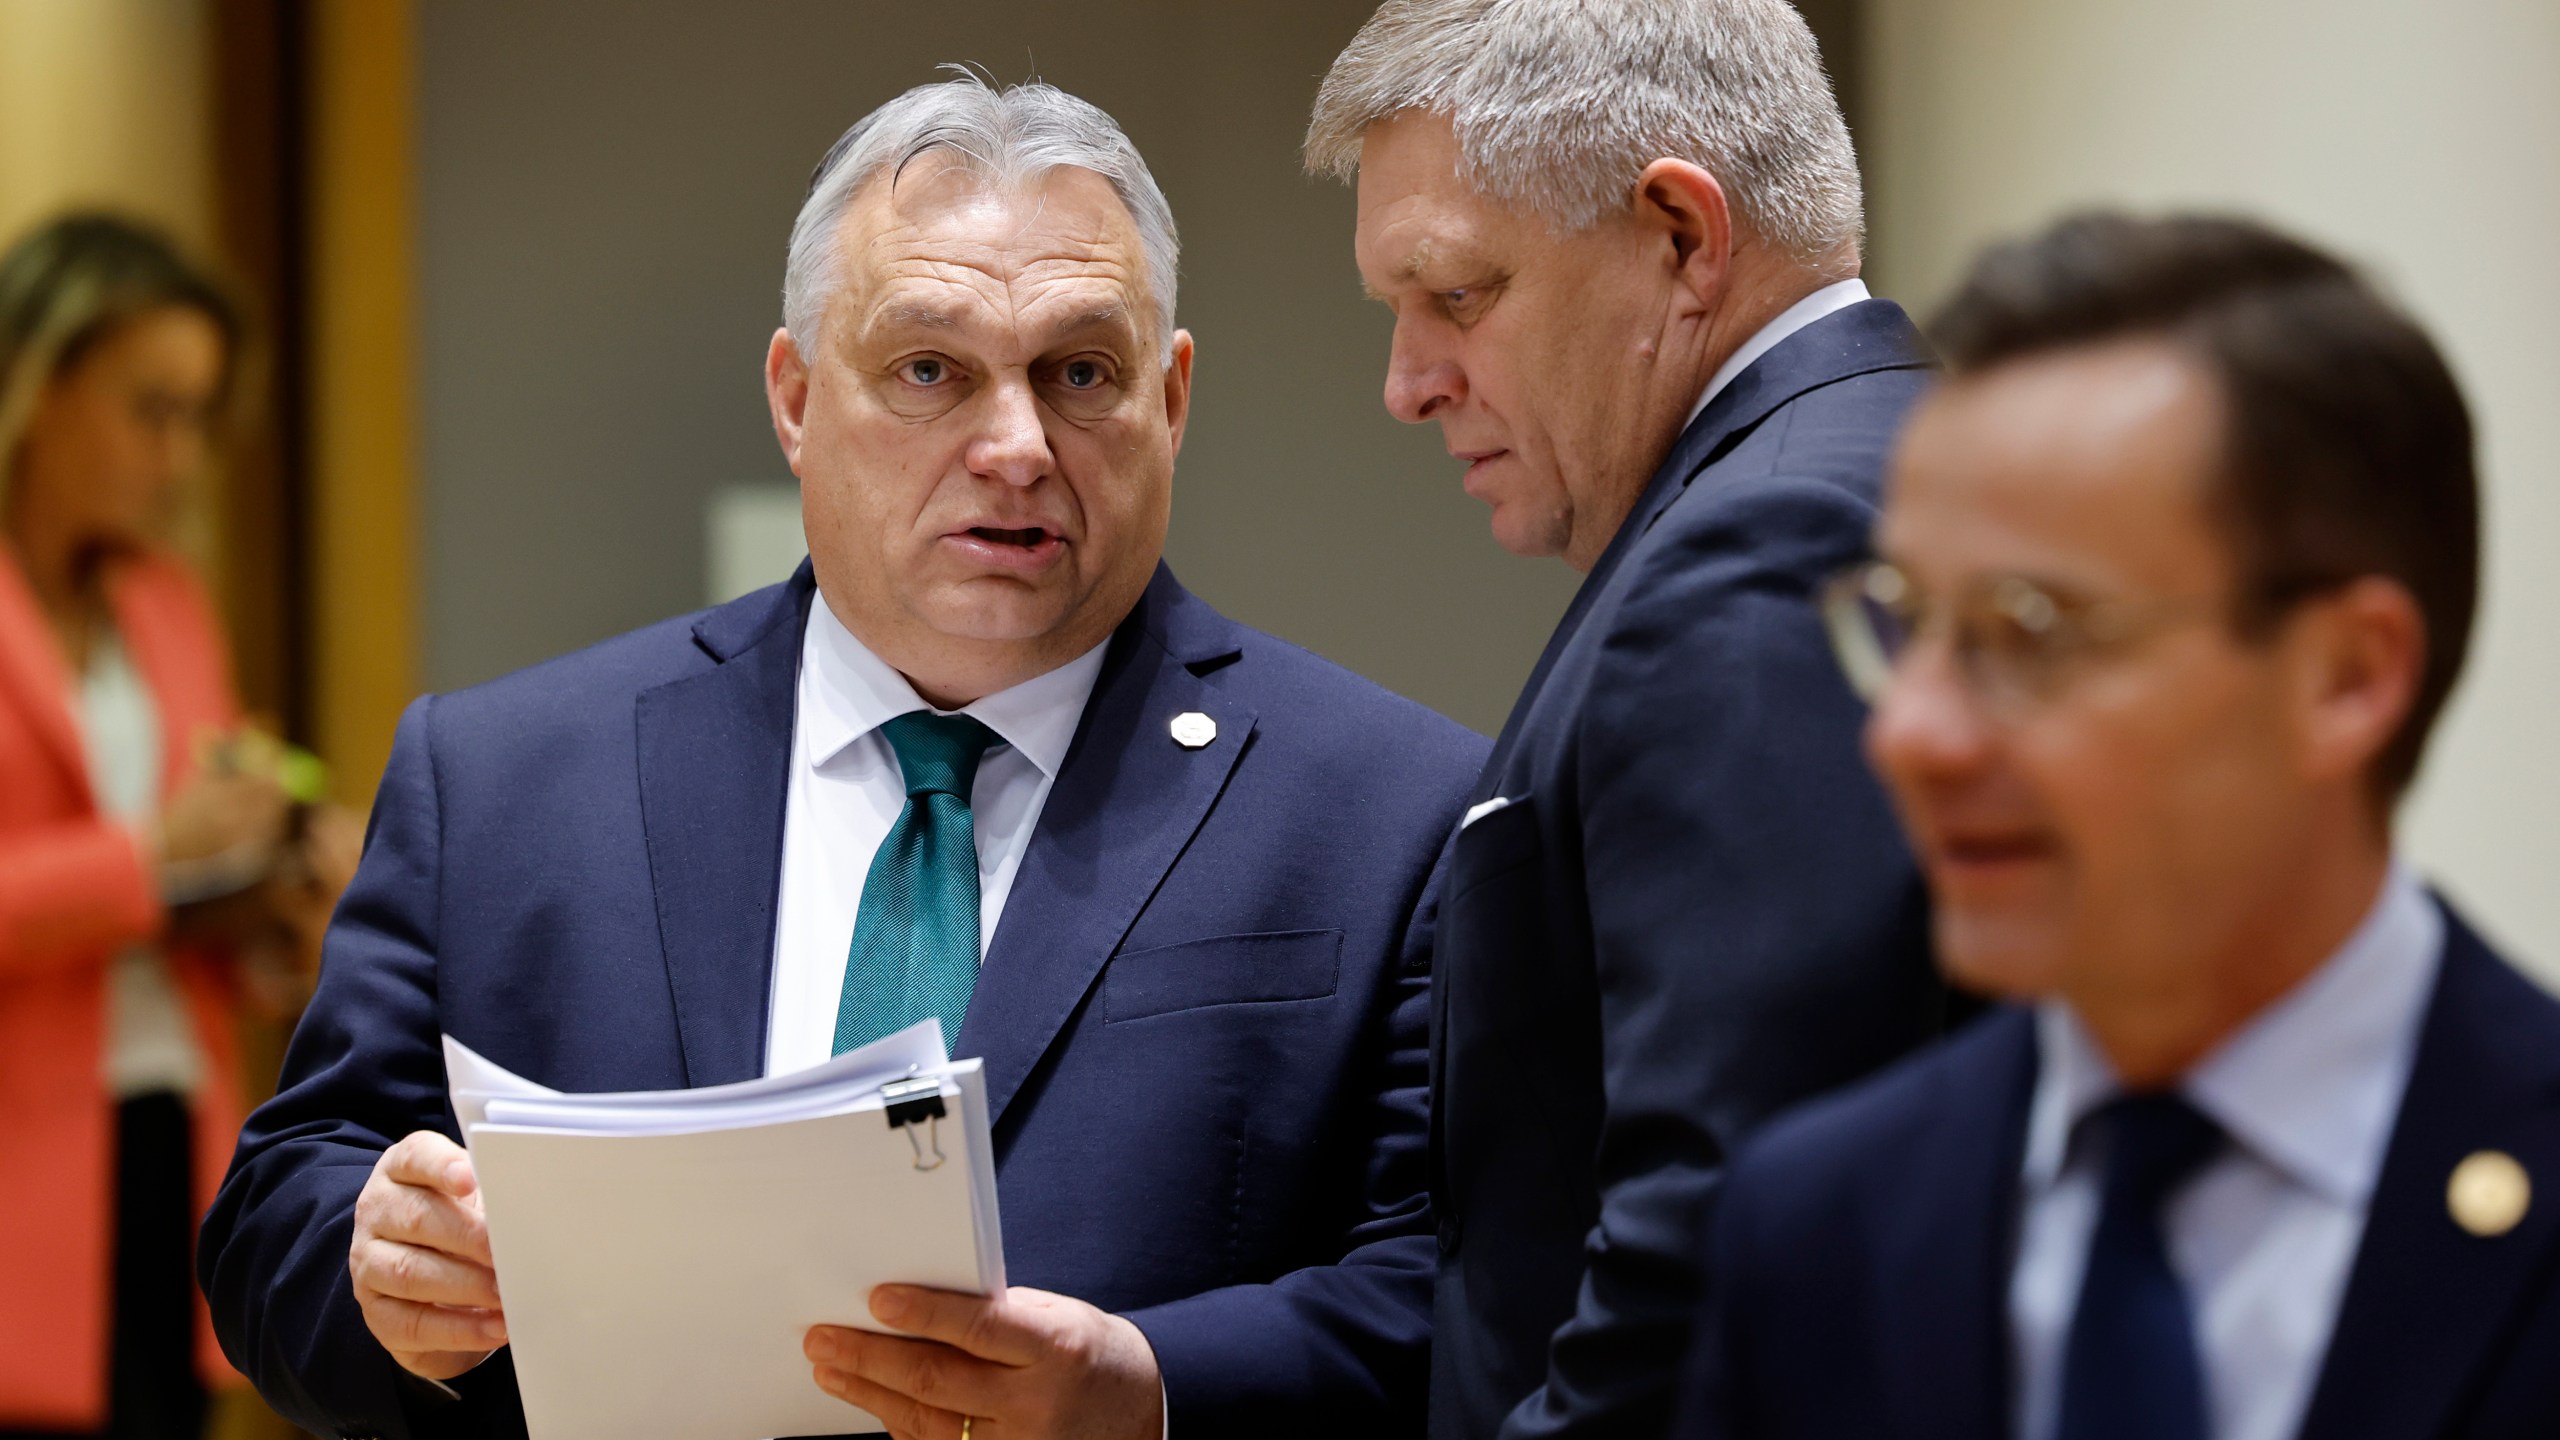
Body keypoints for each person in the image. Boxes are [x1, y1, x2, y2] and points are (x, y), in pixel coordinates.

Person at [200, 75, 1483, 1440]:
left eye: (1082, 373)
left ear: (1171, 401)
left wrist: (1153, 1394)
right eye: (929, 370)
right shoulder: (505, 779)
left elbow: (1457, 1290)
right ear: (798, 398)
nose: (1013, 446)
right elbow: (281, 1209)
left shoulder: (1388, 811)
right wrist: (382, 1270)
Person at [1684, 212, 2560, 1440]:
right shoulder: (1816, 1226)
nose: (1910, 735)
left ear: (2345, 679)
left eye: (2031, 630)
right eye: (1902, 622)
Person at [1303, 4, 1961, 1436]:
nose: (1409, 384)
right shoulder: (1898, 469)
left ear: (1679, 234)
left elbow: (1722, 1244)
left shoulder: (1770, 550)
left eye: (1457, 295)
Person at [0, 215, 353, 1438]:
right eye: (152, 409)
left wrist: (293, 894)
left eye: (200, 416)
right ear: (37, 385)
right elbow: (151, 862)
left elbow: (189, 890)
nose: (182, 454)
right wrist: (155, 858)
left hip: (164, 1138)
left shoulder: (164, 604)